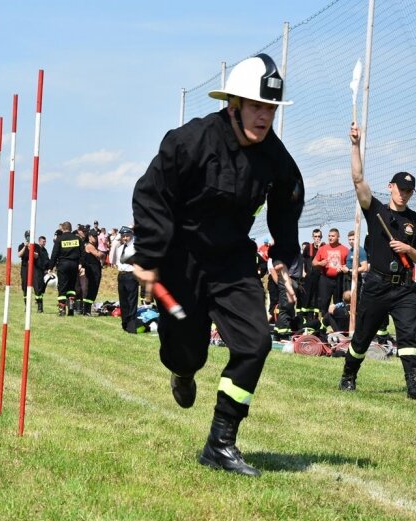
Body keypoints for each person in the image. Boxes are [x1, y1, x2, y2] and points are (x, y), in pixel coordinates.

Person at [129, 54, 304, 476]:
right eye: (258, 107)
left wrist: (283, 253)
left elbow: (289, 197)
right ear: (234, 104)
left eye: (272, 109)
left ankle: (221, 443)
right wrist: (150, 257)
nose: (265, 117)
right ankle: (182, 370)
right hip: (180, 262)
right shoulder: (190, 141)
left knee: (255, 344)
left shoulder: (274, 157)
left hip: (232, 262)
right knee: (186, 353)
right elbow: (151, 194)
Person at [339, 123, 416, 400]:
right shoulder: (375, 210)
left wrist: (408, 248)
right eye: (400, 188)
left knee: (408, 338)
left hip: (404, 287)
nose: (403, 193)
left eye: (408, 190)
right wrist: (355, 145)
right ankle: (348, 375)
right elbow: (357, 180)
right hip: (377, 285)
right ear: (390, 187)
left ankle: (414, 387)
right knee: (362, 337)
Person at [47, 221, 83, 316]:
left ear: (63, 229)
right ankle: (71, 306)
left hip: (63, 265)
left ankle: (62, 309)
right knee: (71, 287)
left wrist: (50, 267)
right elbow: (82, 253)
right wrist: (81, 264)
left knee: (62, 287)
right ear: (71, 229)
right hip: (74, 265)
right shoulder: (77, 239)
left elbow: (54, 254)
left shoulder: (59, 239)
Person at [312, 228, 348, 313]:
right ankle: (323, 322)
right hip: (325, 279)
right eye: (329, 236)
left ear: (338, 237)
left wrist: (343, 267)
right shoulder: (323, 248)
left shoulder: (345, 249)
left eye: (333, 236)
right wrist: (320, 263)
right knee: (323, 302)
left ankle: (337, 322)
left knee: (338, 302)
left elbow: (349, 264)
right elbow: (314, 262)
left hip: (339, 279)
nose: (330, 238)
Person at [115, 227, 140, 332]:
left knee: (131, 301)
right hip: (121, 275)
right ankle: (125, 324)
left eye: (127, 236)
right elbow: (118, 263)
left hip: (131, 275)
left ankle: (131, 326)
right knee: (123, 301)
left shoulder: (135, 247)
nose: (125, 238)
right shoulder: (119, 248)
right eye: (123, 236)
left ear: (131, 235)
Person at [300, 229, 324, 319]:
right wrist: (303, 271)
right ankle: (305, 317)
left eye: (319, 236)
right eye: (315, 236)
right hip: (309, 275)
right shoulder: (308, 247)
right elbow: (303, 260)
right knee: (308, 295)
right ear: (312, 237)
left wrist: (319, 249)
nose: (317, 238)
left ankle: (316, 316)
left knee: (318, 296)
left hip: (320, 275)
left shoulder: (323, 247)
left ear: (321, 237)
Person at [82, 230, 105, 316]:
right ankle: (86, 310)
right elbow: (99, 255)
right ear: (89, 237)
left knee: (94, 289)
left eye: (96, 236)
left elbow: (101, 255)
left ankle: (87, 310)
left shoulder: (94, 246)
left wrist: (101, 254)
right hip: (92, 270)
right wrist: (101, 254)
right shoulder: (89, 246)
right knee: (92, 289)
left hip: (95, 270)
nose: (95, 238)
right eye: (93, 236)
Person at [342, 229, 368, 294]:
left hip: (355, 279)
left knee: (354, 300)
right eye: (349, 239)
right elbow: (349, 264)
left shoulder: (360, 250)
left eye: (353, 239)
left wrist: (349, 270)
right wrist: (344, 267)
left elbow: (365, 268)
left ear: (357, 239)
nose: (351, 241)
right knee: (347, 299)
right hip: (347, 278)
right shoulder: (350, 250)